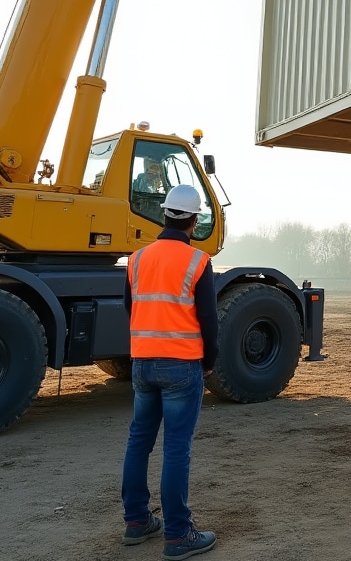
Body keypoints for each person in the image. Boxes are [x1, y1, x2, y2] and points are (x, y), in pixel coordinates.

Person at [121, 184, 220, 560]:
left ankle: (136, 521)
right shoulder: (198, 261)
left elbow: (130, 306)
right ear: (194, 220)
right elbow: (209, 319)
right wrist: (209, 360)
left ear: (164, 215)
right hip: (181, 365)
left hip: (142, 363)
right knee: (176, 448)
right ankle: (178, 535)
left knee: (139, 441)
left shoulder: (137, 259)